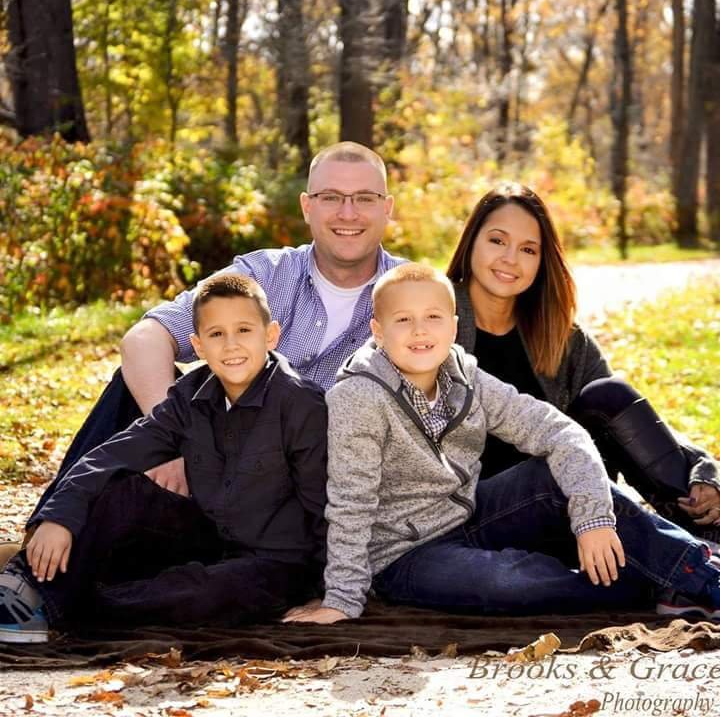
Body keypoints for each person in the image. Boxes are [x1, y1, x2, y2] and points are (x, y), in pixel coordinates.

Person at [284, 263, 720, 624]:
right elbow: (350, 501)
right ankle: (656, 583)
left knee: (554, 477)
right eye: (403, 320)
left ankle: (701, 577)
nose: (420, 331)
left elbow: (560, 432)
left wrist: (593, 519)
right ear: (378, 330)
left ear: (454, 326)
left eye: (433, 317)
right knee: (510, 582)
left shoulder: (465, 375)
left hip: (475, 513)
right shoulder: (358, 396)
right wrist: (342, 598)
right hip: (405, 555)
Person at [31, 141, 404, 514]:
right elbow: (145, 338)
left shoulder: (411, 292)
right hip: (221, 455)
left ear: (387, 209)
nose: (348, 213)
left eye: (365, 198)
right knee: (128, 390)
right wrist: (176, 441)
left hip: (310, 483)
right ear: (307, 207)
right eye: (332, 197)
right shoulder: (264, 275)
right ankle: (42, 540)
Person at [0, 274, 328, 643]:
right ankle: (30, 591)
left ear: (270, 335)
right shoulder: (189, 396)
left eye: (244, 330)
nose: (231, 345)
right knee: (122, 491)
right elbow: (112, 455)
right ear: (198, 345)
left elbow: (325, 506)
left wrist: (332, 593)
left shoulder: (301, 404)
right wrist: (58, 516)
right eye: (216, 334)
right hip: (209, 537)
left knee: (197, 592)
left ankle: (64, 608)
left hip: (277, 564)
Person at [445, 183, 720, 538]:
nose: (510, 258)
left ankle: (704, 527)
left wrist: (703, 468)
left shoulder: (558, 335)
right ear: (471, 242)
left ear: (542, 262)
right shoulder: (434, 319)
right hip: (486, 510)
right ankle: (679, 552)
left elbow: (629, 422)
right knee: (555, 470)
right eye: (497, 241)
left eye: (528, 249)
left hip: (570, 503)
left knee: (608, 393)